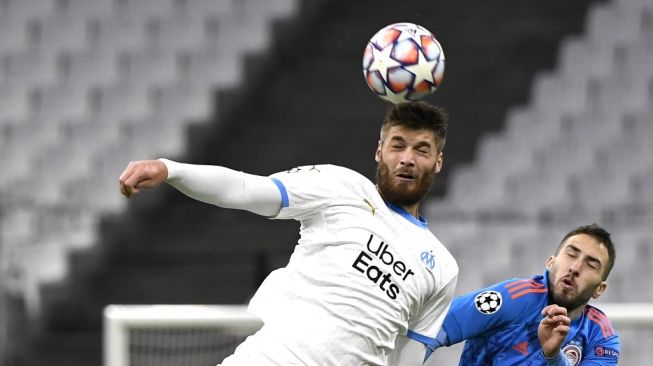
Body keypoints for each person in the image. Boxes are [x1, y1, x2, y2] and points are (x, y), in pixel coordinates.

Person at [118, 101, 459, 366]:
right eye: (397, 145)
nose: (407, 159)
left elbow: (408, 359)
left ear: (438, 161)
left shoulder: (442, 269)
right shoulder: (340, 186)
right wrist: (170, 169)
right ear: (378, 151)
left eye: (421, 149)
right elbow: (245, 189)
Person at [427, 223, 620, 365]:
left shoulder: (602, 336)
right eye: (571, 254)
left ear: (599, 289)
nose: (576, 267)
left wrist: (553, 357)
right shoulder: (513, 297)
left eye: (591, 264)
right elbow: (435, 327)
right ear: (550, 262)